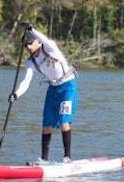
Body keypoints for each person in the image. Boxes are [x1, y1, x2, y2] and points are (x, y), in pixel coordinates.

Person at [9, 22, 78, 163]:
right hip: (53, 89)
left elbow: (45, 40)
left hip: (68, 86)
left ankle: (67, 157)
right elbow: (26, 81)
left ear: (36, 41)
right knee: (46, 124)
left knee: (64, 121)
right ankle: (44, 159)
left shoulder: (48, 47)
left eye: (30, 43)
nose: (28, 47)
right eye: (25, 45)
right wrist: (16, 94)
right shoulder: (31, 62)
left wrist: (32, 29)